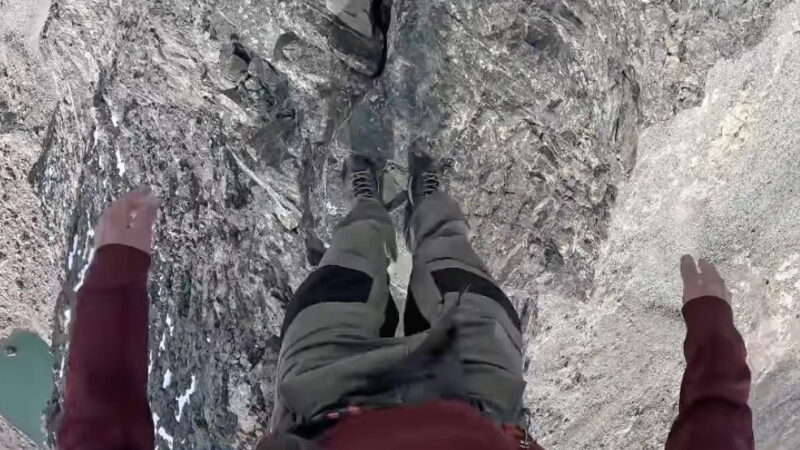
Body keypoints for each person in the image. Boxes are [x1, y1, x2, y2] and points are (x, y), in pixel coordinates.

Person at [57, 151, 754, 450]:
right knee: (445, 250)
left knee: (360, 250)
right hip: (474, 387)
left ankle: (375, 202)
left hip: (326, 391)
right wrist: (713, 337)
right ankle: (421, 198)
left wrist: (116, 281)